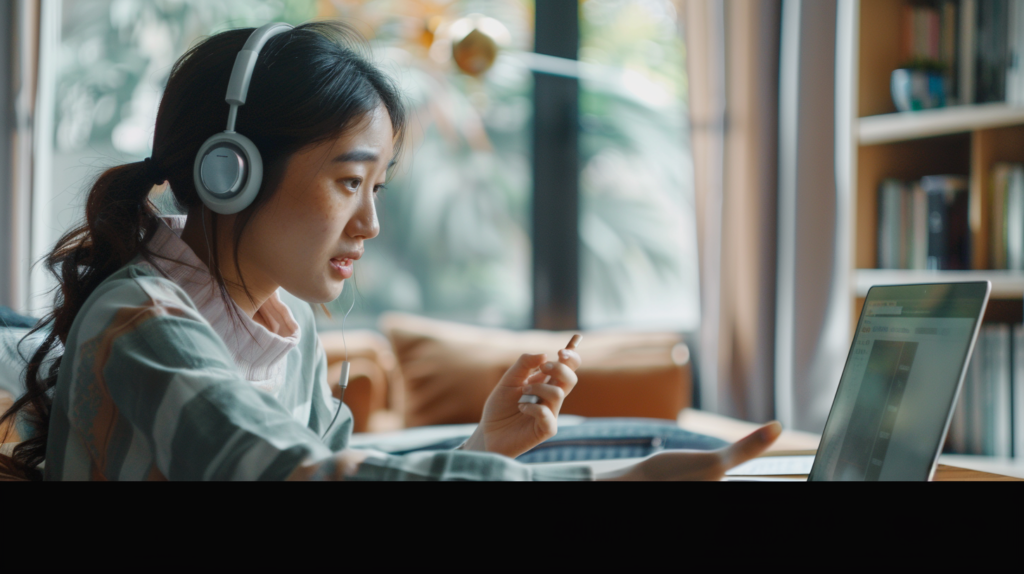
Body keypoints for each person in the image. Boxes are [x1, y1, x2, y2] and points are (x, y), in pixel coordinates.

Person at [0, 21, 780, 481]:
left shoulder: (287, 323)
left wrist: (487, 446)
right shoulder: (141, 321)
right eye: (348, 182)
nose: (371, 225)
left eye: (381, 187)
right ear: (230, 170)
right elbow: (297, 477)